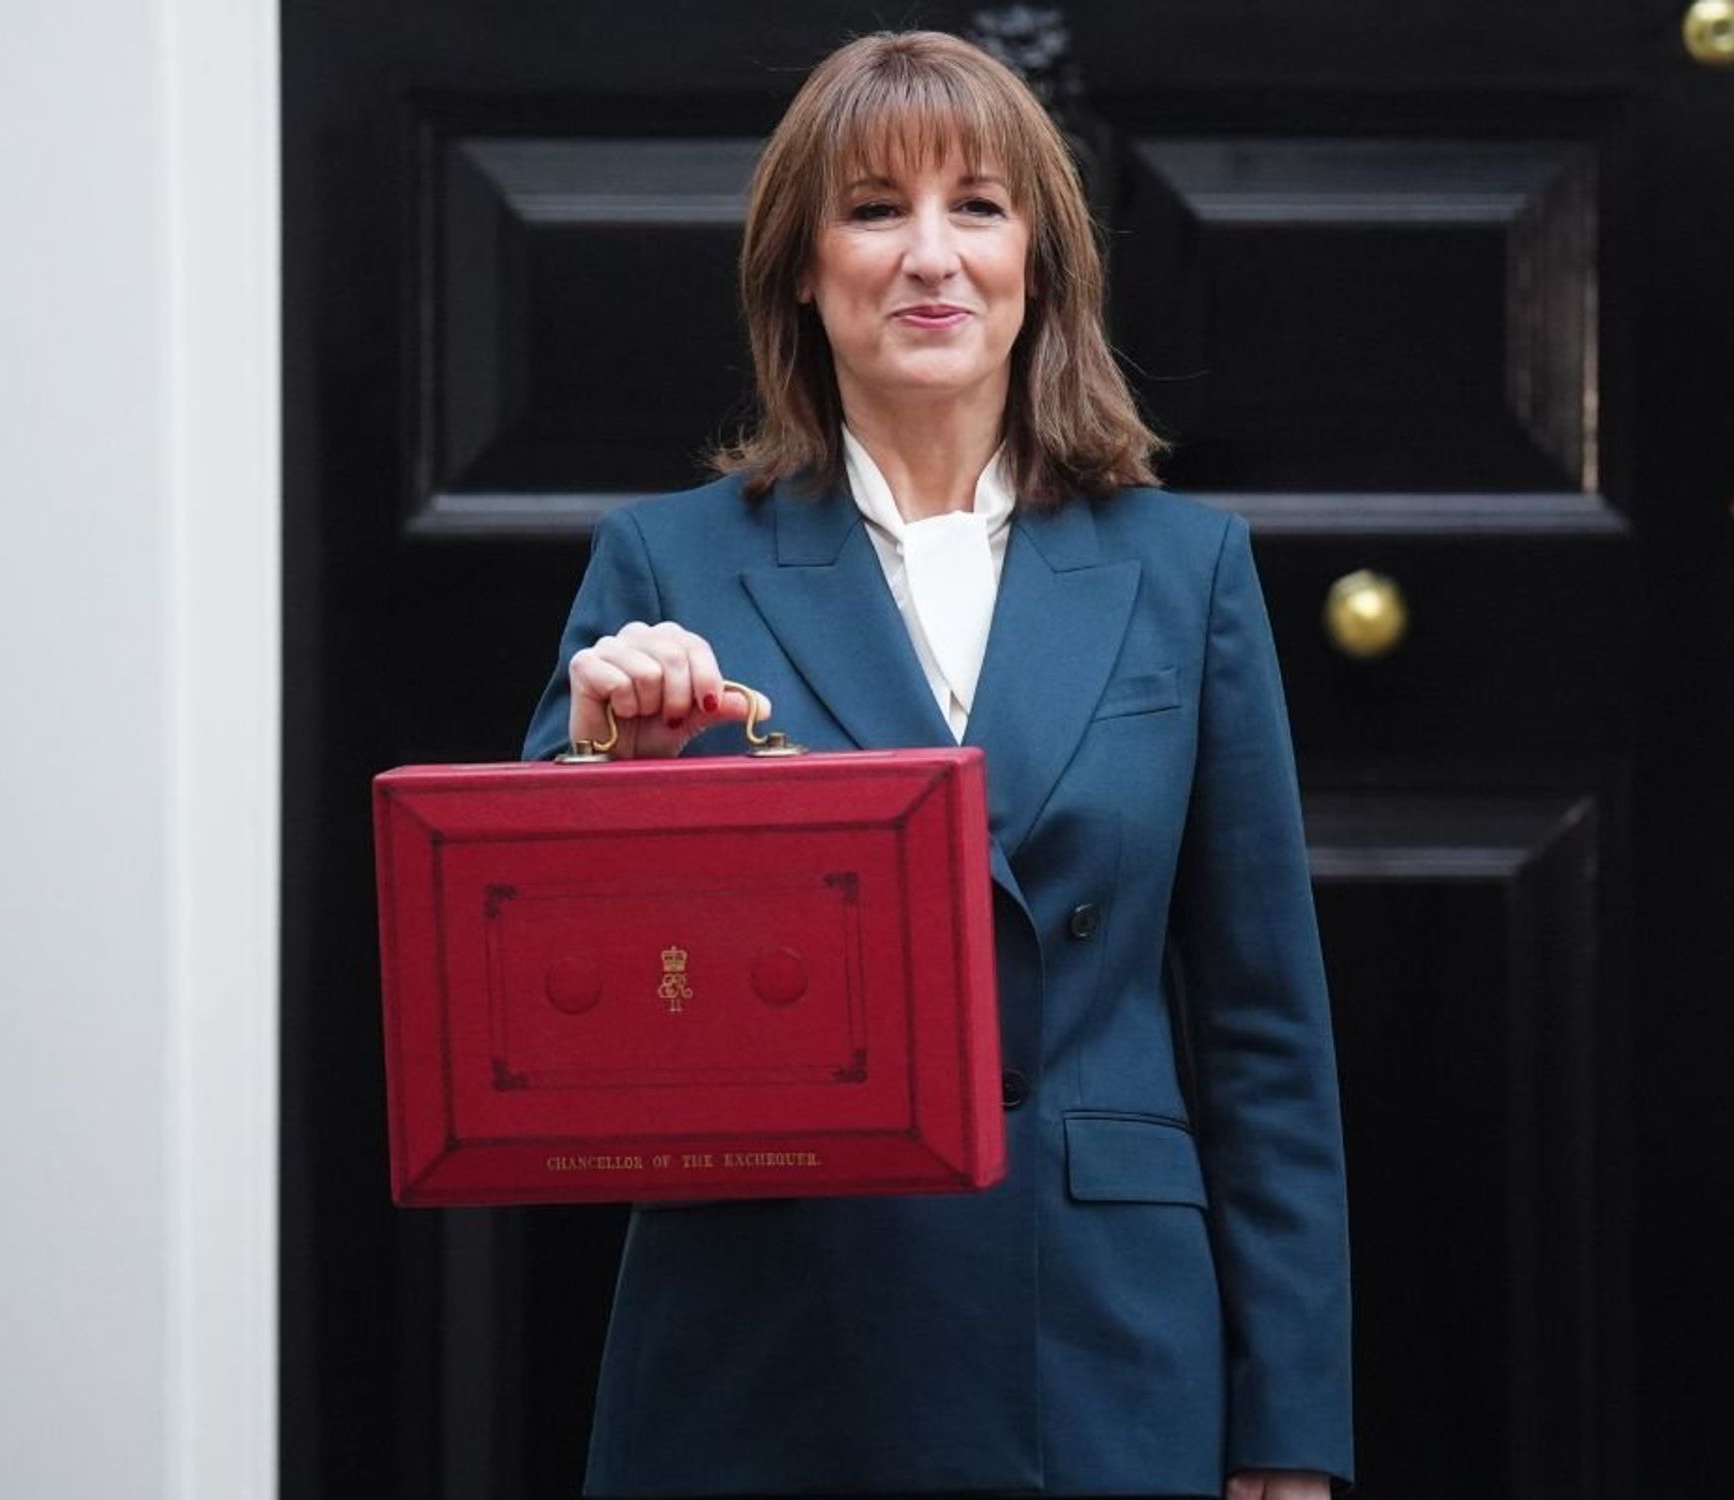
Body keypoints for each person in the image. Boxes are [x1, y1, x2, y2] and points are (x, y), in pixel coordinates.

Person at [523, 29, 1352, 1500]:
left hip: (1097, 1332)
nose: (930, 257)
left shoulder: (1184, 569)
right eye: (872, 209)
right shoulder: (666, 563)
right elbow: (542, 1004)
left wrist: (1289, 1419)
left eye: (977, 206)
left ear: (1041, 261)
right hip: (767, 1343)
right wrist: (608, 768)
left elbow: (1263, 1027)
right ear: (800, 264)